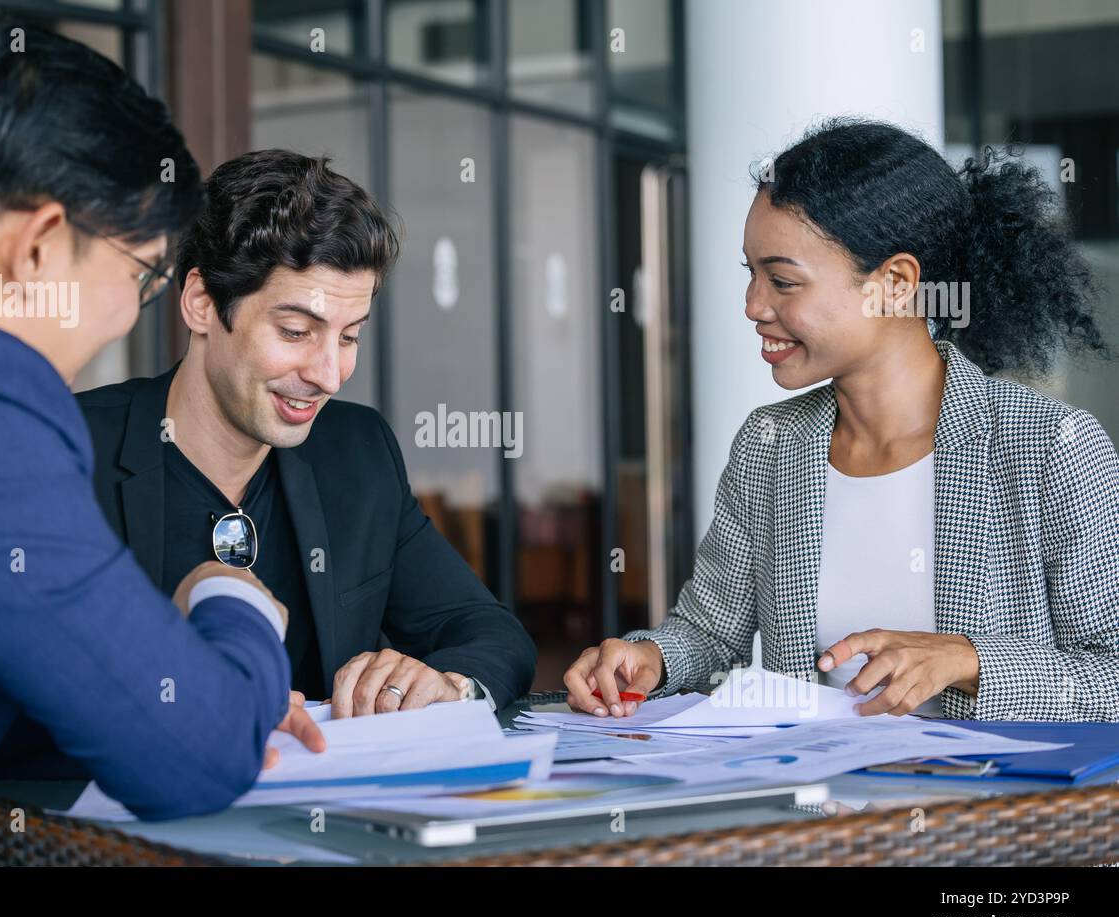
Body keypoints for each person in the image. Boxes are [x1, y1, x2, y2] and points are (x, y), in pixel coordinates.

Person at [0, 13, 320, 866]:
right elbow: (189, 754)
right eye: (143, 273)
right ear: (42, 244)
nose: (133, 312)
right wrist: (232, 603)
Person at [564, 118, 1119, 723]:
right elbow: (709, 633)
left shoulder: (1050, 445)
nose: (753, 306)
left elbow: (1109, 673)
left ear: (896, 284)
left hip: (989, 812)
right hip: (813, 809)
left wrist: (969, 659)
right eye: (750, 275)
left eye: (782, 281)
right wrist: (650, 656)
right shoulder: (769, 443)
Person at [71, 149, 536, 718]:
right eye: (296, 331)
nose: (327, 374)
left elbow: (490, 633)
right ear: (201, 303)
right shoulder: (65, 452)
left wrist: (447, 683)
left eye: (349, 337)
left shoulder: (356, 452)